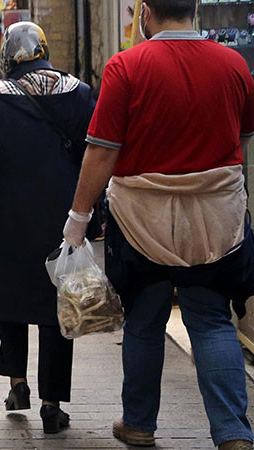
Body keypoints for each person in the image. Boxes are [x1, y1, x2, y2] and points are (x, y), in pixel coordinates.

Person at [64, 1, 254, 448]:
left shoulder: (126, 66)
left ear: (145, 12)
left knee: (145, 320)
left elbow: (103, 149)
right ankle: (232, 432)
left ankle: (139, 424)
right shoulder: (233, 65)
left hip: (141, 219)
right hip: (214, 218)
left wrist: (79, 216)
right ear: (195, 11)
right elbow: (241, 139)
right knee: (211, 319)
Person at [0, 22, 95, 435]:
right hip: (61, 220)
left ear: (8, 57)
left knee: (10, 302)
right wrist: (93, 217)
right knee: (56, 310)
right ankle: (52, 403)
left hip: (6, 219)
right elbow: (94, 157)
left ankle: (17, 385)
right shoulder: (80, 93)